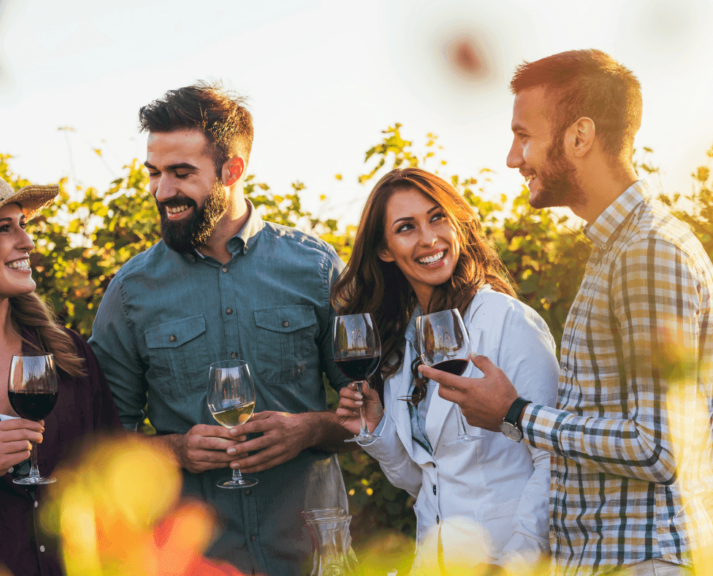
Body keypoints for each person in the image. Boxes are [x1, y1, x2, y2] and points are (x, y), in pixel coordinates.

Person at [422, 49, 713, 575]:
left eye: (524, 135)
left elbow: (657, 447)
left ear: (580, 137)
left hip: (641, 560)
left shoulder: (647, 252)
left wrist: (515, 414)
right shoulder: (616, 251)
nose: (513, 158)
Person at [88, 83, 352, 576]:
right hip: (196, 562)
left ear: (233, 170)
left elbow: (374, 412)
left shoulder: (315, 269)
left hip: (312, 556)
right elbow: (103, 442)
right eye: (155, 173)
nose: (163, 191)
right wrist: (177, 451)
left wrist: (309, 428)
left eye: (181, 173)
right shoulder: (130, 291)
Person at [332, 167, 559, 574]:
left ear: (457, 224)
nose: (428, 238)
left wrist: (517, 562)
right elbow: (425, 482)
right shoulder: (408, 340)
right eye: (406, 227)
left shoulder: (507, 321)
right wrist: (377, 426)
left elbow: (553, 461)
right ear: (384, 250)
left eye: (437, 217)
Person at [0, 160, 122, 575]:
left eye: (23, 224)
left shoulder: (67, 354)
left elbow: (113, 474)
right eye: (4, 228)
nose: (27, 241)